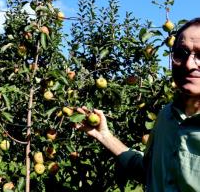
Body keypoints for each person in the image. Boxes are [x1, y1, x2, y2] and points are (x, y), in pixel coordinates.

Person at [76, 17, 200, 192]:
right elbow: (149, 170)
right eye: (181, 54)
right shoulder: (166, 116)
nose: (189, 64)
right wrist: (104, 135)